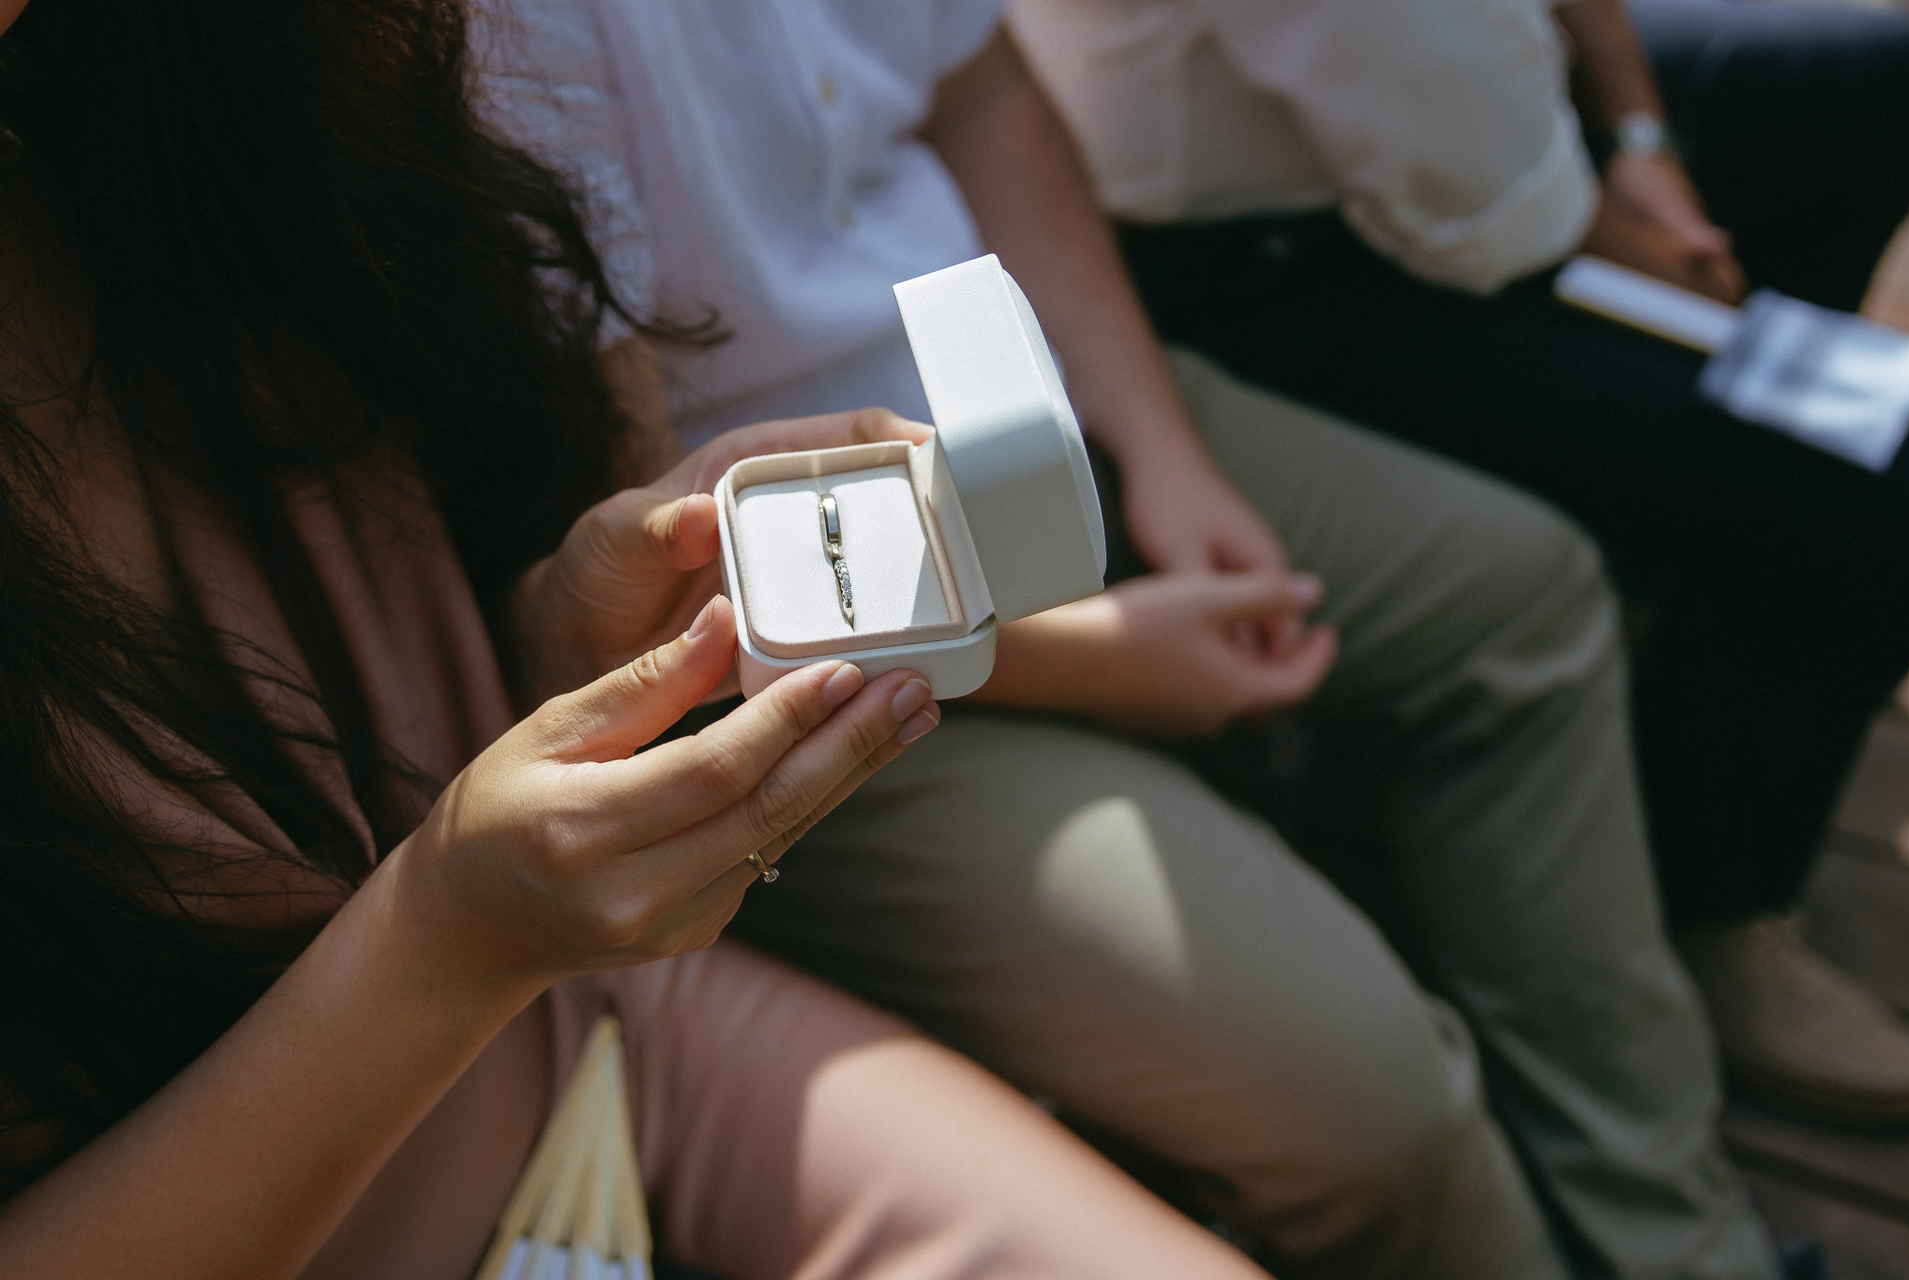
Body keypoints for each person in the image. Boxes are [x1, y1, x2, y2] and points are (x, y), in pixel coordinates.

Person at [477, 2, 1781, 1275]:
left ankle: (1676, 1242)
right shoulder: (510, 32)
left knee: (1521, 593)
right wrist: (1098, 654)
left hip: (1032, 419)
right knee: (1375, 1105)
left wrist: (1163, 451)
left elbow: (983, 89)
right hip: (818, 644)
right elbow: (660, 547)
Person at [0, 2, 1295, 1277]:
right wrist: (443, 945)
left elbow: (366, 685)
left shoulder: (181, 96)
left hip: (594, 1028)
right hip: (403, 1119)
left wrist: (553, 640)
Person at [1008, 0, 1909, 1129]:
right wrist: (1666, 260)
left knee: (1865, 84)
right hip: (1250, 256)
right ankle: (1713, 892)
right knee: (1882, 485)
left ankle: (1723, 594)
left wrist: (1641, 137)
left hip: (1428, 140)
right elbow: (1487, 216)